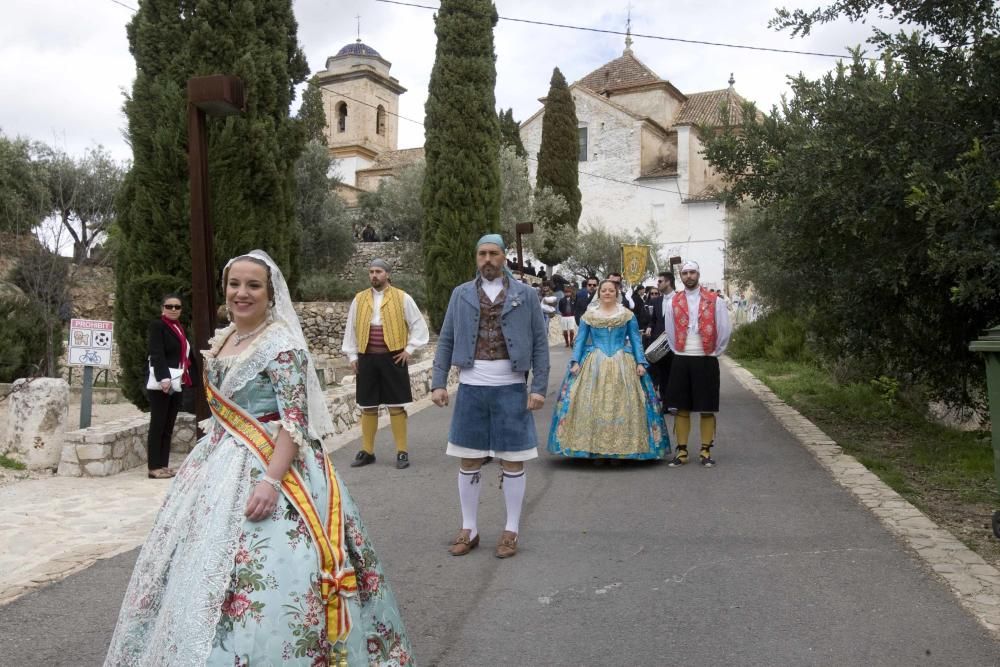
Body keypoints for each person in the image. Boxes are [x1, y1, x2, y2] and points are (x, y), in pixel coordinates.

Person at [106, 251, 412, 666]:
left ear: (271, 294)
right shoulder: (225, 337)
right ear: (224, 290)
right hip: (219, 463)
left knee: (274, 578)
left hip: (276, 468)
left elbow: (295, 423)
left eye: (253, 286)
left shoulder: (282, 346)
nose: (242, 293)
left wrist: (269, 481)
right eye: (235, 284)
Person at [431, 234, 550, 559]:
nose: (487, 259)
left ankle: (511, 529)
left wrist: (538, 388)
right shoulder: (461, 295)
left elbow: (540, 343)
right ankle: (469, 528)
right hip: (471, 387)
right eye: (482, 253)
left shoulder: (526, 295)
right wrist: (438, 381)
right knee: (468, 459)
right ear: (476, 257)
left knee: (513, 461)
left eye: (493, 253)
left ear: (504, 257)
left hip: (511, 387)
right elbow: (447, 339)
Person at [548, 279, 669, 462]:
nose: (606, 293)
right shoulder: (590, 314)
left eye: (610, 290)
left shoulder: (627, 314)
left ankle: (622, 449)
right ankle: (595, 449)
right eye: (603, 290)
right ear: (599, 293)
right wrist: (575, 360)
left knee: (622, 405)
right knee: (591, 404)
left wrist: (640, 362)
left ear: (616, 292)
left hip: (623, 359)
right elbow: (580, 340)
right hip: (595, 360)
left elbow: (636, 340)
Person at [342, 258, 429, 470]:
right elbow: (351, 329)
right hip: (367, 357)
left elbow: (418, 325)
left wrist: (409, 350)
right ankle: (368, 451)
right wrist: (353, 356)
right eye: (371, 271)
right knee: (367, 405)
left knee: (396, 405)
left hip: (393, 357)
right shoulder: (359, 299)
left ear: (387, 274)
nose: (374, 275)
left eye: (378, 271)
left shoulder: (402, 297)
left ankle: (401, 451)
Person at [663, 260, 732, 467]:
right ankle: (682, 451)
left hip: (706, 357)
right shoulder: (673, 301)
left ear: (698, 274)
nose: (689, 276)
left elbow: (724, 327)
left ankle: (705, 450)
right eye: (685, 273)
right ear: (681, 277)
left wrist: (714, 351)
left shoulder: (715, 300)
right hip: (682, 357)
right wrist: (679, 351)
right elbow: (670, 332)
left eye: (692, 272)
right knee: (681, 407)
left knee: (707, 406)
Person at [146, 293, 199, 479]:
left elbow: (185, 356)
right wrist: (163, 378)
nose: (174, 310)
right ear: (163, 308)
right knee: (158, 424)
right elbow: (156, 352)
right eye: (170, 306)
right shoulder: (158, 326)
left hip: (178, 382)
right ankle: (153, 467)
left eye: (177, 307)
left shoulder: (179, 328)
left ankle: (163, 465)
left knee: (168, 425)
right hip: (164, 383)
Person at [646, 271, 676, 404]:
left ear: (668, 282)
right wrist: (649, 327)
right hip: (659, 343)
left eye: (660, 281)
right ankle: (665, 402)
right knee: (662, 373)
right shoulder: (656, 301)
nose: (657, 284)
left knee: (675, 373)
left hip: (676, 343)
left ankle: (676, 401)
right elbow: (653, 320)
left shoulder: (680, 299)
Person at [556, 283, 578, 348]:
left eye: (568, 292)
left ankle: (571, 342)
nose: (567, 294)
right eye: (566, 292)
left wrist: (574, 312)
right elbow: (559, 308)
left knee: (571, 329)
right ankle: (567, 343)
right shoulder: (562, 300)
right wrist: (563, 312)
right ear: (564, 293)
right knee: (565, 330)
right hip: (564, 317)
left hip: (571, 316)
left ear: (571, 293)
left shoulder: (573, 299)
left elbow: (576, 306)